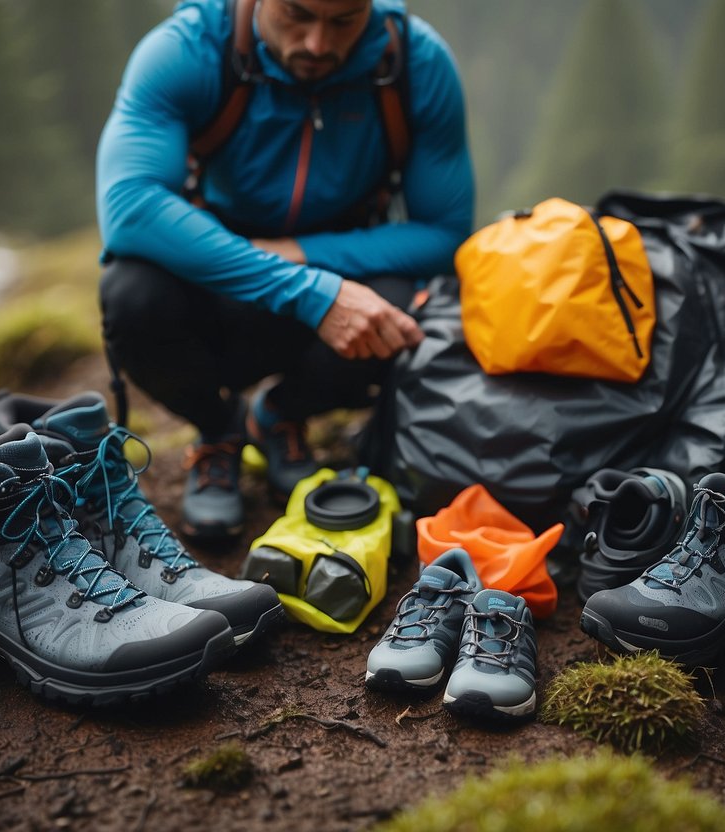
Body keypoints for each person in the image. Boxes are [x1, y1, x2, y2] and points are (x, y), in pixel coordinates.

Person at [96, 0, 475, 541]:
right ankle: (218, 431)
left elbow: (445, 234)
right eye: (297, 15)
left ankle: (279, 415)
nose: (318, 44)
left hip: (324, 279)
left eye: (344, 21)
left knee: (398, 304)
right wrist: (308, 292)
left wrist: (300, 253)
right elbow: (130, 208)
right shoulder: (189, 49)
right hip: (213, 284)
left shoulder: (413, 63)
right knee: (132, 293)